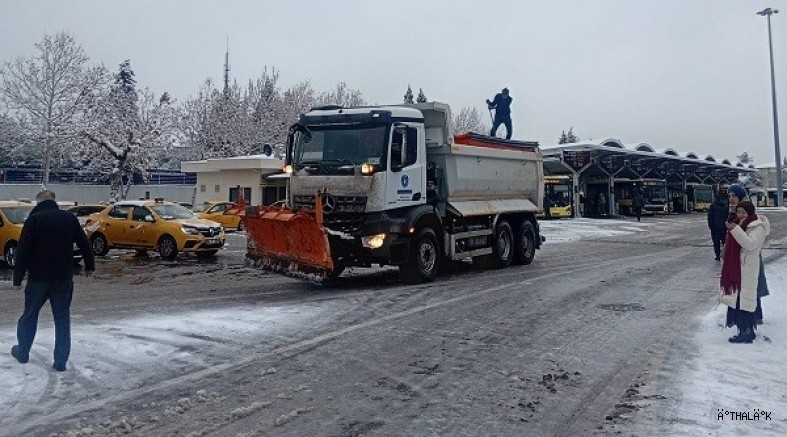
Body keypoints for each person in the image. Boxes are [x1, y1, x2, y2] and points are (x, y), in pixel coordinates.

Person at [11, 190, 95, 371]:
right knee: (62, 320)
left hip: (38, 279)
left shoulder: (34, 220)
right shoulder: (69, 219)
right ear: (54, 201)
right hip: (63, 278)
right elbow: (84, 243)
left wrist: (17, 279)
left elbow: (23, 251)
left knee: (29, 316)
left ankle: (23, 352)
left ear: (38, 202)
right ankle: (60, 362)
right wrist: (89, 266)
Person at [720, 200, 768, 343]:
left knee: (745, 300)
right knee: (739, 300)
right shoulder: (741, 224)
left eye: (743, 212)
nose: (740, 215)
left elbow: (750, 244)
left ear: (750, 212)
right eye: (738, 211)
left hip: (748, 268)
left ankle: (747, 332)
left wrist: (735, 230)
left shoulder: (757, 226)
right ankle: (743, 330)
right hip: (739, 268)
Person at [727, 183, 770, 324]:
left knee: (752, 287)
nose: (731, 198)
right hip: (737, 258)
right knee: (737, 288)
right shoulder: (732, 214)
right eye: (729, 195)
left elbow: (750, 241)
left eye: (734, 195)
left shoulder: (749, 215)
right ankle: (735, 317)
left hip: (749, 258)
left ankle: (755, 316)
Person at [707, 193, 728, 260]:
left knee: (716, 242)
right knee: (725, 241)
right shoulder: (726, 206)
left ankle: (717, 255)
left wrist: (710, 226)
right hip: (724, 227)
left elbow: (710, 217)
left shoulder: (713, 205)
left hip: (715, 227)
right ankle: (726, 254)